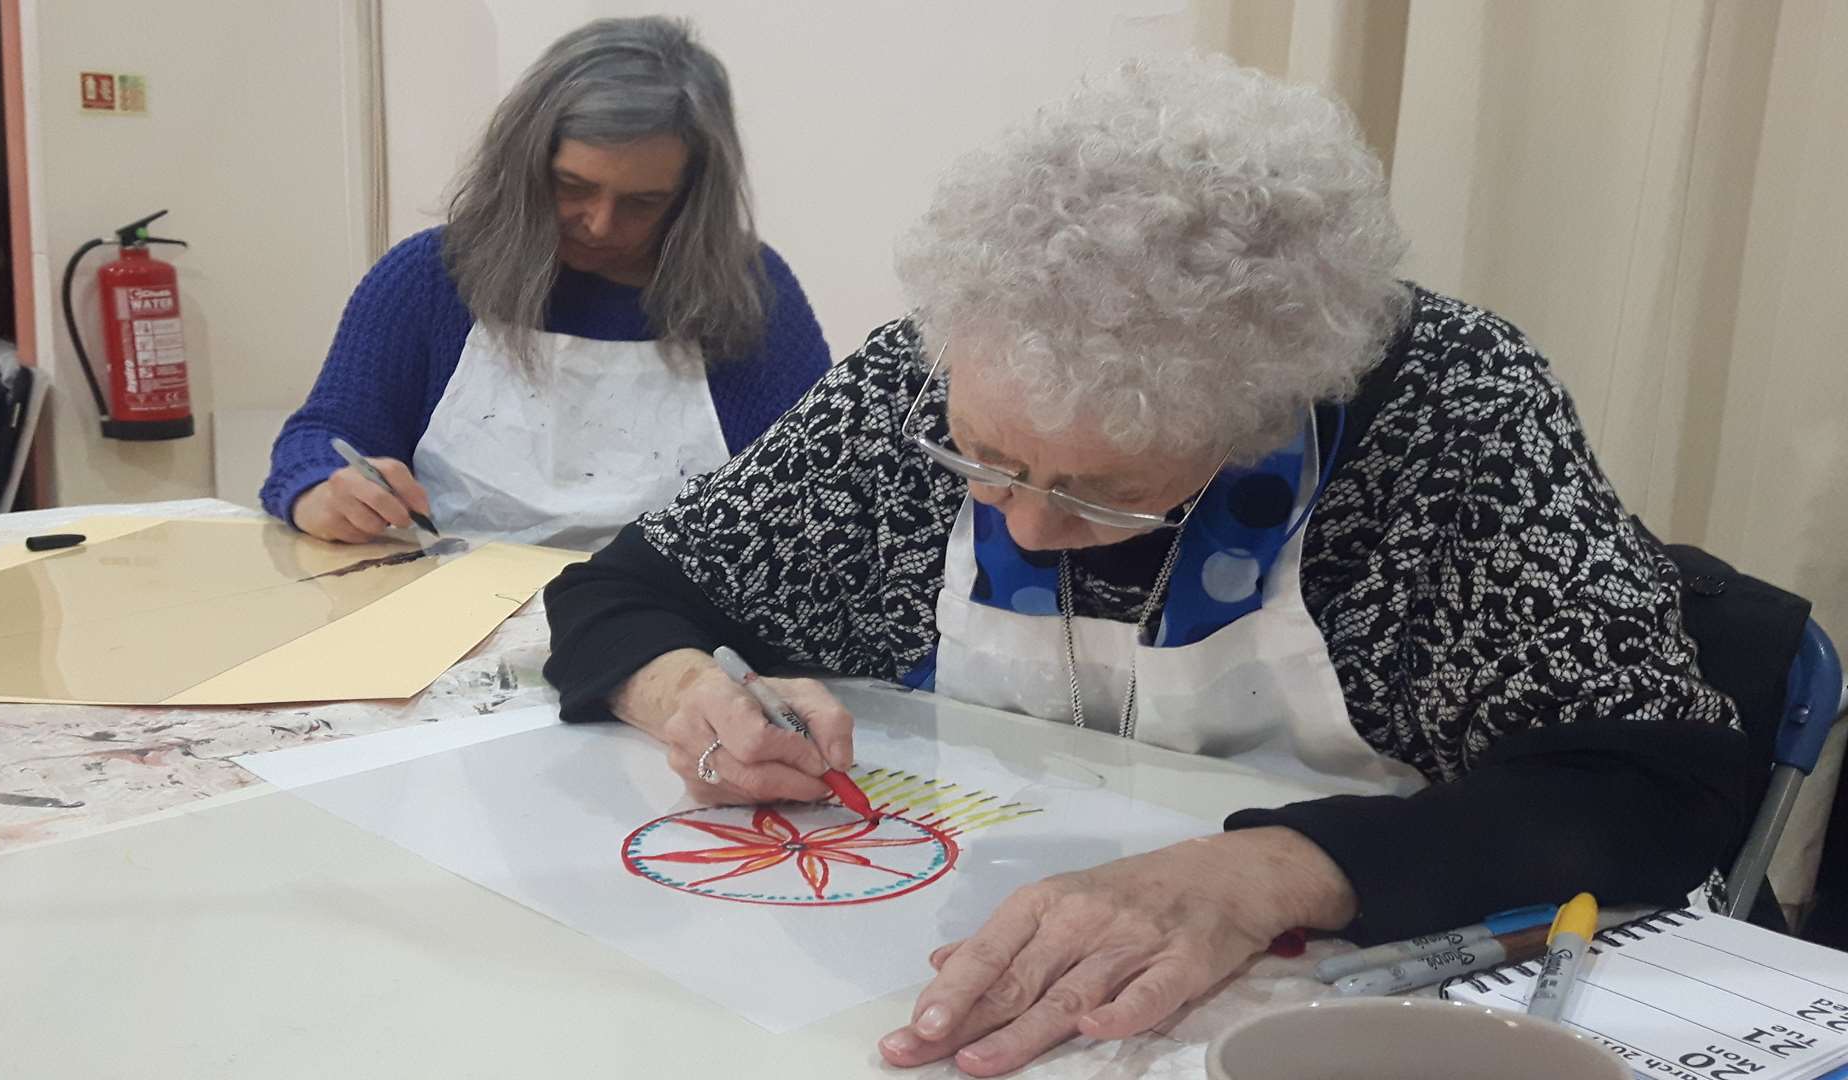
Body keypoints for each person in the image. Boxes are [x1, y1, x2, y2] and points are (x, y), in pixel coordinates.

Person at [542, 56, 1748, 1075]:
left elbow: (1656, 784)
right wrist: (686, 693)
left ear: (1263, 412)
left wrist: (1268, 872)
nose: (1018, 525)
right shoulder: (919, 377)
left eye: (1100, 492)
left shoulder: (1451, 408)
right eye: (986, 459)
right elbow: (626, 589)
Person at [260, 16, 830, 550]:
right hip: (450, 616)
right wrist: (320, 489)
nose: (600, 223)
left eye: (643, 203)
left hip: (676, 629)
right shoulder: (431, 278)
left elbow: (822, 493)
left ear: (691, 197)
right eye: (573, 186)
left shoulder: (753, 296)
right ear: (525, 165)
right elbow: (325, 434)